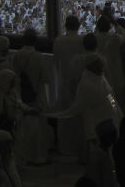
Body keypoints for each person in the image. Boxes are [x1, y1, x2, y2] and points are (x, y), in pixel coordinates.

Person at [11, 28, 50, 164]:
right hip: (37, 96)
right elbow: (46, 78)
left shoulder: (16, 55)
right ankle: (38, 157)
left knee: (23, 127)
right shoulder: (39, 57)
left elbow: (13, 76)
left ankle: (24, 156)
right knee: (39, 128)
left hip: (20, 94)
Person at [54, 14, 85, 155]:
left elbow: (56, 63)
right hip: (79, 82)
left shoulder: (59, 40)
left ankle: (65, 147)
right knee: (78, 116)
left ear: (66, 26)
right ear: (78, 26)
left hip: (64, 82)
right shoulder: (81, 40)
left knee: (64, 114)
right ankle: (78, 147)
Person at [86, 119, 124, 187]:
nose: (117, 136)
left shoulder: (106, 152)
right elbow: (97, 182)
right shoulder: (98, 155)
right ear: (109, 137)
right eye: (114, 134)